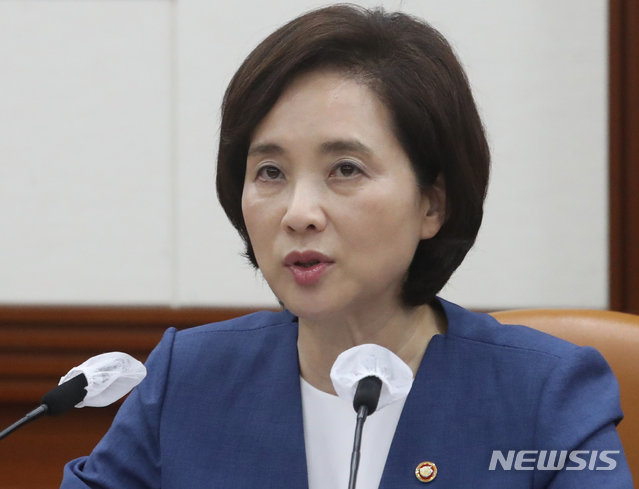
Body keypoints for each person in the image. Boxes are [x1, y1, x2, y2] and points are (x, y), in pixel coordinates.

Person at [60, 5, 632, 488]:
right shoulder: (188, 380)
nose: (299, 213)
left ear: (432, 204)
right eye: (269, 172)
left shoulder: (544, 397)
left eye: (346, 169)